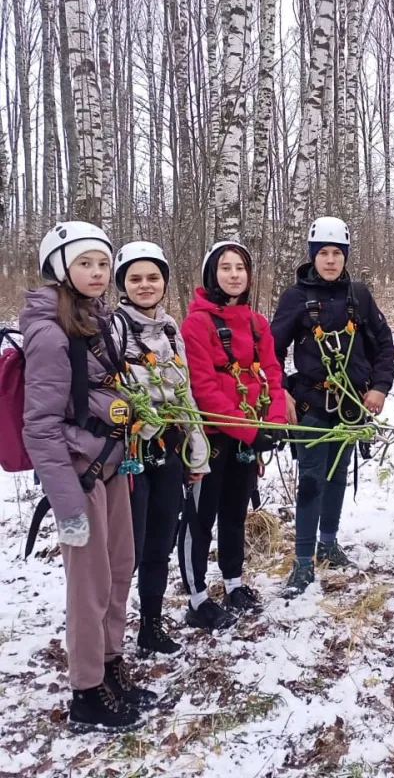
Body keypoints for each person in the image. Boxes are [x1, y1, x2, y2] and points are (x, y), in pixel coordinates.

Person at [21, 222, 156, 731]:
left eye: (102, 263)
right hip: (79, 475)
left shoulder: (96, 320)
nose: (98, 272)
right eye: (85, 263)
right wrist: (67, 506)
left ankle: (110, 664)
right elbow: (40, 426)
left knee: (119, 567)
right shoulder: (50, 333)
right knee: (90, 583)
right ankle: (86, 689)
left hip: (111, 463)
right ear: (60, 268)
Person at [271, 216, 394, 598]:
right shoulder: (296, 298)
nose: (329, 260)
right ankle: (303, 562)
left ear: (345, 256)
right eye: (323, 253)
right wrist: (280, 391)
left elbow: (384, 343)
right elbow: (271, 350)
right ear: (312, 256)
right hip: (311, 402)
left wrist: (380, 388)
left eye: (336, 254)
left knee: (337, 475)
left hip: (350, 406)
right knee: (311, 480)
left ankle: (328, 543)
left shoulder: (359, 296)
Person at [179, 241, 286, 629]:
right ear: (212, 274)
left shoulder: (257, 324)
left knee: (235, 513)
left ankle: (234, 583)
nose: (234, 275)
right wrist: (251, 430)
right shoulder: (196, 325)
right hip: (211, 437)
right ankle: (196, 597)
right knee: (200, 517)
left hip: (248, 434)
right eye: (225, 268)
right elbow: (204, 389)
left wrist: (274, 422)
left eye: (240, 268)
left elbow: (272, 374)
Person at [111, 241, 210, 655]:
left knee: (160, 542)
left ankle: (150, 625)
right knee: (128, 550)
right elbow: (109, 387)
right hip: (132, 452)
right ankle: (109, 639)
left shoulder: (171, 329)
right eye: (135, 278)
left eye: (153, 277)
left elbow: (186, 393)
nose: (145, 285)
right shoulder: (114, 328)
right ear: (122, 284)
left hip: (169, 448)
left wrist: (197, 448)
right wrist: (143, 415)